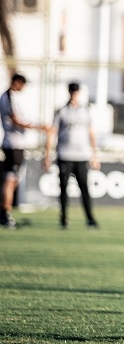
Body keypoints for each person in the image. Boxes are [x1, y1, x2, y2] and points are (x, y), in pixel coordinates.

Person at [43, 82, 100, 229]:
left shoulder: (85, 110)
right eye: (72, 91)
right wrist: (47, 155)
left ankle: (90, 218)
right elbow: (52, 133)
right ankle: (63, 219)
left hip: (81, 156)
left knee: (84, 188)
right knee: (63, 188)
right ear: (69, 92)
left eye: (76, 91)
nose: (74, 94)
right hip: (65, 155)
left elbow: (91, 133)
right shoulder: (61, 111)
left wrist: (95, 155)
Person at [1, 73, 50, 229]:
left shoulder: (11, 96)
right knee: (10, 180)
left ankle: (4, 212)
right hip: (13, 144)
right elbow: (16, 121)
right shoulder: (8, 96)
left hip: (17, 145)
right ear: (17, 83)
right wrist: (38, 127)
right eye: (22, 84)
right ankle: (5, 214)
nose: (24, 88)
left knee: (13, 179)